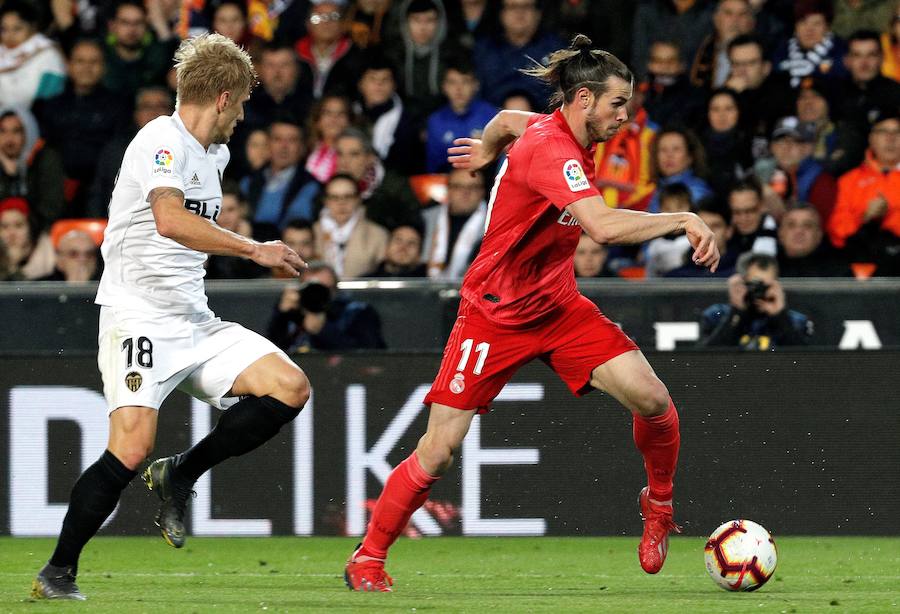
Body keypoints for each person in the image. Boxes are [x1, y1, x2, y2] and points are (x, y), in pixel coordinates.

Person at [343, 35, 720, 593]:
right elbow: (603, 227)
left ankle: (658, 505)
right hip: (492, 313)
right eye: (619, 104)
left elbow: (503, 118)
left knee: (653, 399)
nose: (627, 115)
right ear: (586, 99)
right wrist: (683, 218)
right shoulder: (553, 150)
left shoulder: (553, 129)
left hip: (558, 306)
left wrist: (486, 149)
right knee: (439, 451)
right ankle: (368, 558)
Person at [30, 34, 310, 601]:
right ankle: (57, 573)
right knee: (131, 448)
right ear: (226, 98)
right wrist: (256, 250)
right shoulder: (161, 139)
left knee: (289, 388)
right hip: (137, 317)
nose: (245, 114)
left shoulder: (216, 155)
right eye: (246, 102)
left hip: (193, 320)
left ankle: (181, 472)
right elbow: (169, 221)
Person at [33, 39, 130, 215]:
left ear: (104, 67)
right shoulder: (50, 107)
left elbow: (117, 153)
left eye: (94, 62)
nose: (87, 67)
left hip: (103, 188)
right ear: (69, 65)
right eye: (80, 61)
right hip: (57, 188)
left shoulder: (119, 106)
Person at [828, 108, 900, 273]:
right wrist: (865, 217)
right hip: (861, 266)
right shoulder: (849, 181)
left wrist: (890, 217)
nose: (891, 138)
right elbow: (837, 234)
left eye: (897, 132)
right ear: (871, 139)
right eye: (883, 132)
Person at [87, 87, 175, 217]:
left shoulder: (188, 148)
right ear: (136, 114)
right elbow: (99, 195)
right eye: (146, 107)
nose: (154, 112)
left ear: (172, 112)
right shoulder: (116, 150)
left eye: (161, 106)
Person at [699, 252, 813, 350]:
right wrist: (736, 312)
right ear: (741, 283)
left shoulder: (796, 321)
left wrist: (780, 316)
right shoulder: (716, 316)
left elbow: (805, 364)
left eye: (766, 287)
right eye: (755, 286)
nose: (760, 293)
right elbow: (706, 359)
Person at [266, 260, 387, 351]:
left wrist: (323, 329)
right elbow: (270, 351)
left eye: (323, 290)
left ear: (335, 289)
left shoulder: (357, 312)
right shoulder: (293, 312)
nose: (316, 295)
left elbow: (368, 356)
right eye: (310, 289)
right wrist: (281, 315)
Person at [473, 0, 565, 107]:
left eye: (526, 6)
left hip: (545, 118)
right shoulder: (484, 50)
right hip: (490, 119)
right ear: (501, 13)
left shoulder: (557, 49)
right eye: (512, 7)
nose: (519, 12)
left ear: (538, 13)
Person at [241, 116, 321, 238]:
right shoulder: (248, 182)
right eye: (277, 139)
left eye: (292, 140)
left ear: (302, 147)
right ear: (268, 144)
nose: (284, 146)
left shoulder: (312, 187)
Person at [754, 116, 838, 223]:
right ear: (772, 147)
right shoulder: (759, 174)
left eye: (795, 141)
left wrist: (777, 207)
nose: (786, 147)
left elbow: (815, 228)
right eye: (780, 141)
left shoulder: (821, 181)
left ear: (808, 148)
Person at [425, 60, 497, 173]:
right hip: (449, 182)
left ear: (476, 85)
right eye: (452, 82)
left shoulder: (491, 115)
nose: (459, 89)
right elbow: (434, 168)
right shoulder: (435, 121)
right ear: (444, 87)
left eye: (465, 82)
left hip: (486, 180)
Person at [0, 107, 65, 232]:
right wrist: (8, 175)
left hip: (40, 233)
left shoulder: (46, 158)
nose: (9, 138)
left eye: (16, 131)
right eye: (3, 131)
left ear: (28, 132)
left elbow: (52, 209)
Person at [314, 173, 389, 277]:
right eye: (334, 197)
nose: (341, 203)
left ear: (358, 199)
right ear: (326, 201)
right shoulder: (312, 232)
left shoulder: (378, 235)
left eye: (348, 197)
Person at [421, 168, 487, 278]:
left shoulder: (496, 222)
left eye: (473, 187)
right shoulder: (426, 219)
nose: (466, 193)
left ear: (482, 192)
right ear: (448, 190)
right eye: (458, 186)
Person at [0, 1, 66, 108]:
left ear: (33, 27)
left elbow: (50, 98)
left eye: (17, 29)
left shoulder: (49, 55)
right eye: (4, 29)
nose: (10, 36)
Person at [689, 0, 755, 90]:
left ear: (751, 22)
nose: (735, 20)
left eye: (742, 14)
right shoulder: (699, 52)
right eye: (728, 13)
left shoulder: (762, 53)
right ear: (716, 20)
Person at [777, 203, 852, 277]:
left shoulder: (839, 272)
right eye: (791, 225)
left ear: (819, 235)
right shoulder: (768, 267)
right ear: (780, 234)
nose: (799, 231)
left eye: (807, 225)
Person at [0, 196, 55, 279]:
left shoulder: (47, 252)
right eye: (5, 226)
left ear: (31, 227)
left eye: (18, 225)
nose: (11, 234)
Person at [727, 178, 778, 257]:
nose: (743, 218)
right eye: (737, 212)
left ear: (762, 206)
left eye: (750, 211)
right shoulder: (726, 235)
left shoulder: (779, 237)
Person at [36, 229, 102, 282]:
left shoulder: (108, 286)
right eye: (73, 254)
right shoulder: (40, 287)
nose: (83, 259)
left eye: (89, 254)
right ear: (59, 260)